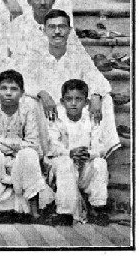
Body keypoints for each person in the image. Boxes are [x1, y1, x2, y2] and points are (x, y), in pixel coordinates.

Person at [19, 9, 119, 160]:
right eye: (52, 27)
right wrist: (41, 93)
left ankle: (98, 153)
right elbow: (22, 79)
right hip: (46, 107)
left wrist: (96, 95)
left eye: (62, 27)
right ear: (44, 30)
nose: (57, 32)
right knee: (28, 101)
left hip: (71, 105)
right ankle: (43, 155)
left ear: (70, 30)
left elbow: (96, 78)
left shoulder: (76, 53)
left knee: (106, 100)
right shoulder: (35, 53)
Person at [0, 70, 51, 224]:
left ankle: (33, 210)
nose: (8, 93)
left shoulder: (27, 111)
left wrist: (4, 143)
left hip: (20, 156)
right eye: (4, 88)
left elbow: (33, 143)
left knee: (30, 154)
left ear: (22, 92)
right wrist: (11, 146)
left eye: (14, 89)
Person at [45, 79, 112, 226]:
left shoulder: (91, 119)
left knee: (100, 163)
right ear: (62, 101)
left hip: (84, 168)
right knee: (65, 162)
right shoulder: (57, 118)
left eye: (78, 99)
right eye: (69, 99)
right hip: (62, 172)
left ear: (86, 102)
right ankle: (65, 213)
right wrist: (69, 153)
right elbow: (53, 146)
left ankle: (97, 208)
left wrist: (89, 154)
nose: (73, 103)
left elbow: (100, 147)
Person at [5, 0, 85, 65]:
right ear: (29, 1)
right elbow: (13, 58)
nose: (43, 2)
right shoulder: (19, 24)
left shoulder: (62, 24)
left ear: (53, 0)